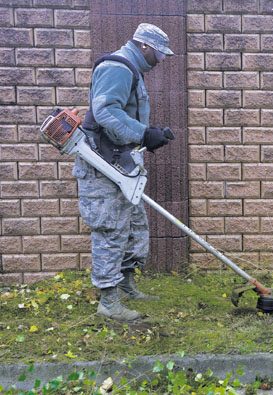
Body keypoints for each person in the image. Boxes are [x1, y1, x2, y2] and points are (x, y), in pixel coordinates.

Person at [72, 23, 175, 322]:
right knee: (110, 232)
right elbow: (104, 112)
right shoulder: (118, 67)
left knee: (133, 227)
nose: (161, 60)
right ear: (144, 46)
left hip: (121, 165)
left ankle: (127, 285)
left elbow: (116, 111)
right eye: (159, 53)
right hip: (102, 169)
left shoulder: (131, 70)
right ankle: (108, 301)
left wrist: (151, 134)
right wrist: (144, 133)